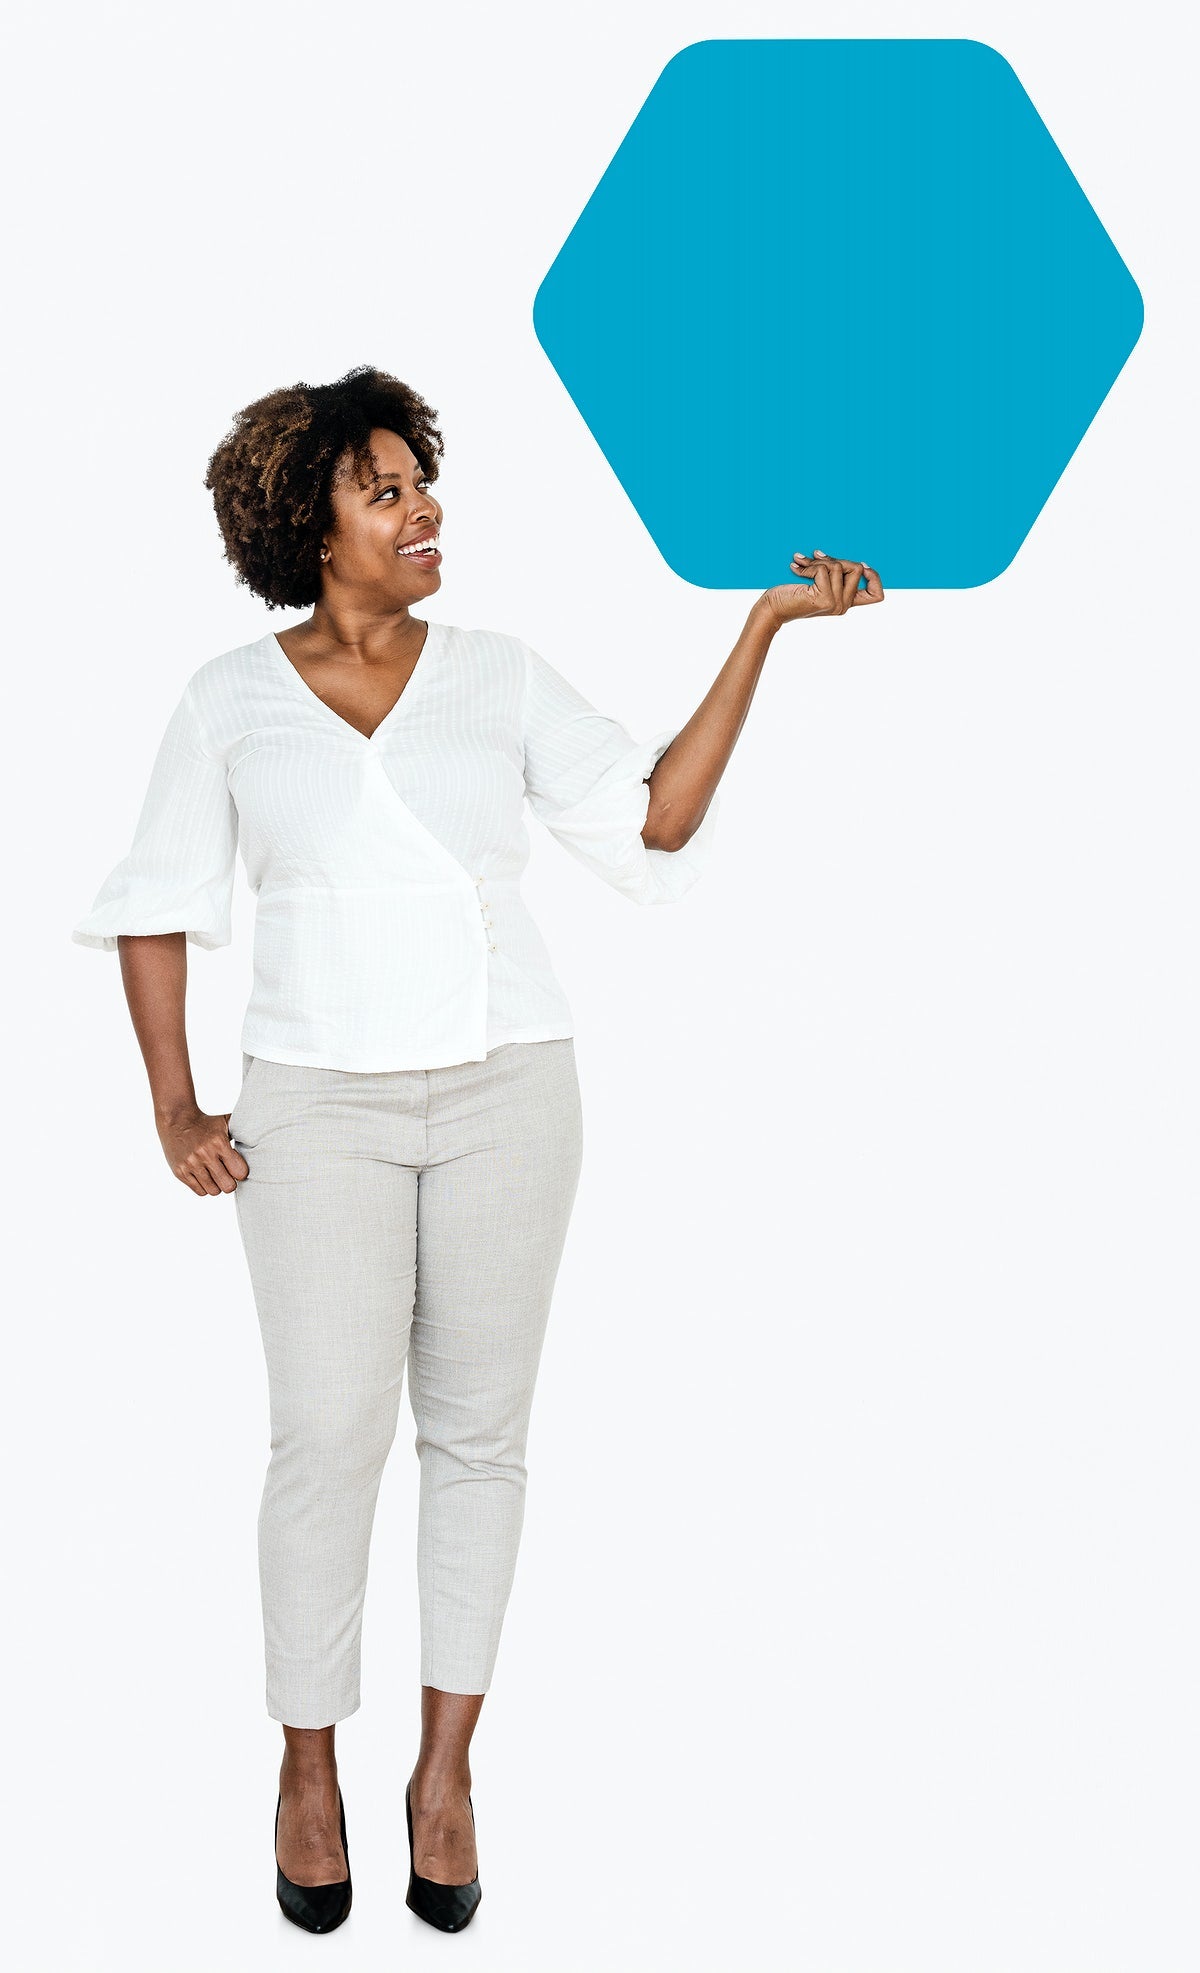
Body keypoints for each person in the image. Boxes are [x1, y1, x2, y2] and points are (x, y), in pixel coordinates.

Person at [71, 363, 883, 1936]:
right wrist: (174, 1105)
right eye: (386, 488)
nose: (423, 508)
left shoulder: (498, 675)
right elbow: (156, 899)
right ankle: (308, 1765)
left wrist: (767, 627)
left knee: (482, 1439)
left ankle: (445, 1773)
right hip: (313, 1106)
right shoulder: (229, 698)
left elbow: (650, 819)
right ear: (312, 519)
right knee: (325, 1437)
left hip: (510, 1086)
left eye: (421, 483)